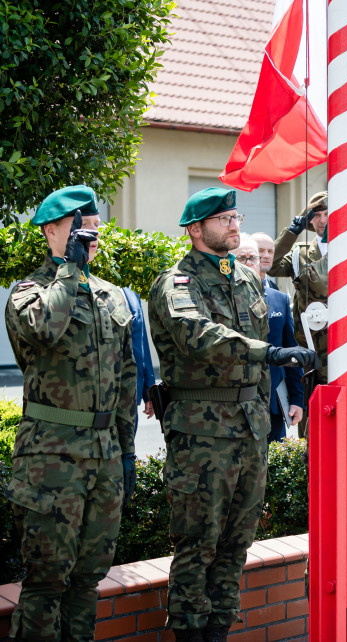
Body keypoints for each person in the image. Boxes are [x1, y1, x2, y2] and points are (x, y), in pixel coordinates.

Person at [148, 187, 317, 640]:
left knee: (236, 545)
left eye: (235, 216)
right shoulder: (177, 282)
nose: (234, 224)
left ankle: (219, 632)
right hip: (201, 433)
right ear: (195, 229)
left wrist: (263, 408)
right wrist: (272, 352)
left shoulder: (244, 280)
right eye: (223, 219)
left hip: (249, 429)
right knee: (197, 544)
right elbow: (198, 336)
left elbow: (258, 370)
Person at [4, 186, 137, 641]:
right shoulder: (29, 292)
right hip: (51, 458)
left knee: (86, 580)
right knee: (46, 582)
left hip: (104, 457)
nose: (90, 238)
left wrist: (127, 452)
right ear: (50, 232)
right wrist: (70, 269)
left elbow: (125, 379)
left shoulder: (110, 296)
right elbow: (42, 331)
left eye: (95, 230)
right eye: (80, 230)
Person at [268, 191, 329, 437]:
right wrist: (293, 230)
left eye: (328, 214)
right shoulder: (299, 253)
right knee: (311, 417)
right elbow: (271, 264)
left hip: (346, 344)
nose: (323, 220)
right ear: (310, 221)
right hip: (310, 347)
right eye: (317, 215)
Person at [232, 234, 304, 442]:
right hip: (237, 403)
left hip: (273, 402)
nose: (249, 263)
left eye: (252, 258)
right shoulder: (224, 301)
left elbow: (291, 352)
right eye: (241, 258)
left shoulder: (279, 299)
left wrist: (297, 400)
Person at [122, 286, 157, 417]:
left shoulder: (129, 289)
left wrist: (149, 390)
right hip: (103, 395)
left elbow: (141, 340)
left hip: (130, 396)